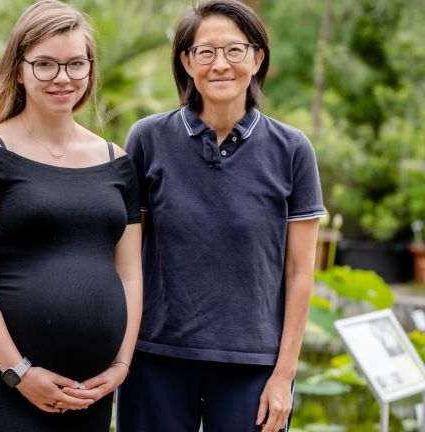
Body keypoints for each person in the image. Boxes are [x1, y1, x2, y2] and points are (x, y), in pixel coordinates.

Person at [113, 1, 326, 431]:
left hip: (253, 366)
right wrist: (118, 354)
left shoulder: (293, 149)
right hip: (155, 358)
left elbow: (301, 272)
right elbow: (126, 257)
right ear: (186, 62)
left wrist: (283, 377)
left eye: (235, 50)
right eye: (205, 52)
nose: (220, 64)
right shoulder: (147, 139)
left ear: (258, 57)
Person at [0, 1, 143, 431]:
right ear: (19, 70)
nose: (62, 78)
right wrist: (19, 372)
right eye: (45, 65)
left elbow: (130, 275)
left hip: (88, 391)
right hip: (0, 386)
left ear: (90, 69)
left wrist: (121, 365)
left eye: (75, 64)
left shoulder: (118, 163)